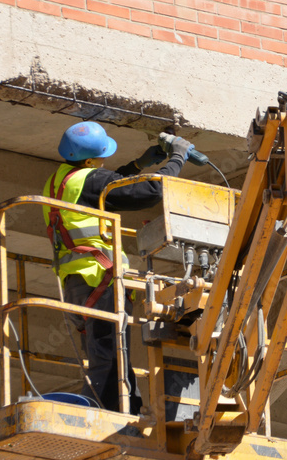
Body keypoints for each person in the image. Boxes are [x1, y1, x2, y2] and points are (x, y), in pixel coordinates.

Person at [43, 121, 194, 414]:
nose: (103, 160)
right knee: (109, 354)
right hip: (100, 278)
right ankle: (105, 411)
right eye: (100, 156)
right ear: (89, 160)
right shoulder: (91, 180)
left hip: (77, 281)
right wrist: (178, 156)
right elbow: (151, 191)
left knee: (107, 351)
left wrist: (138, 164)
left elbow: (102, 188)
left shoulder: (61, 179)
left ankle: (128, 405)